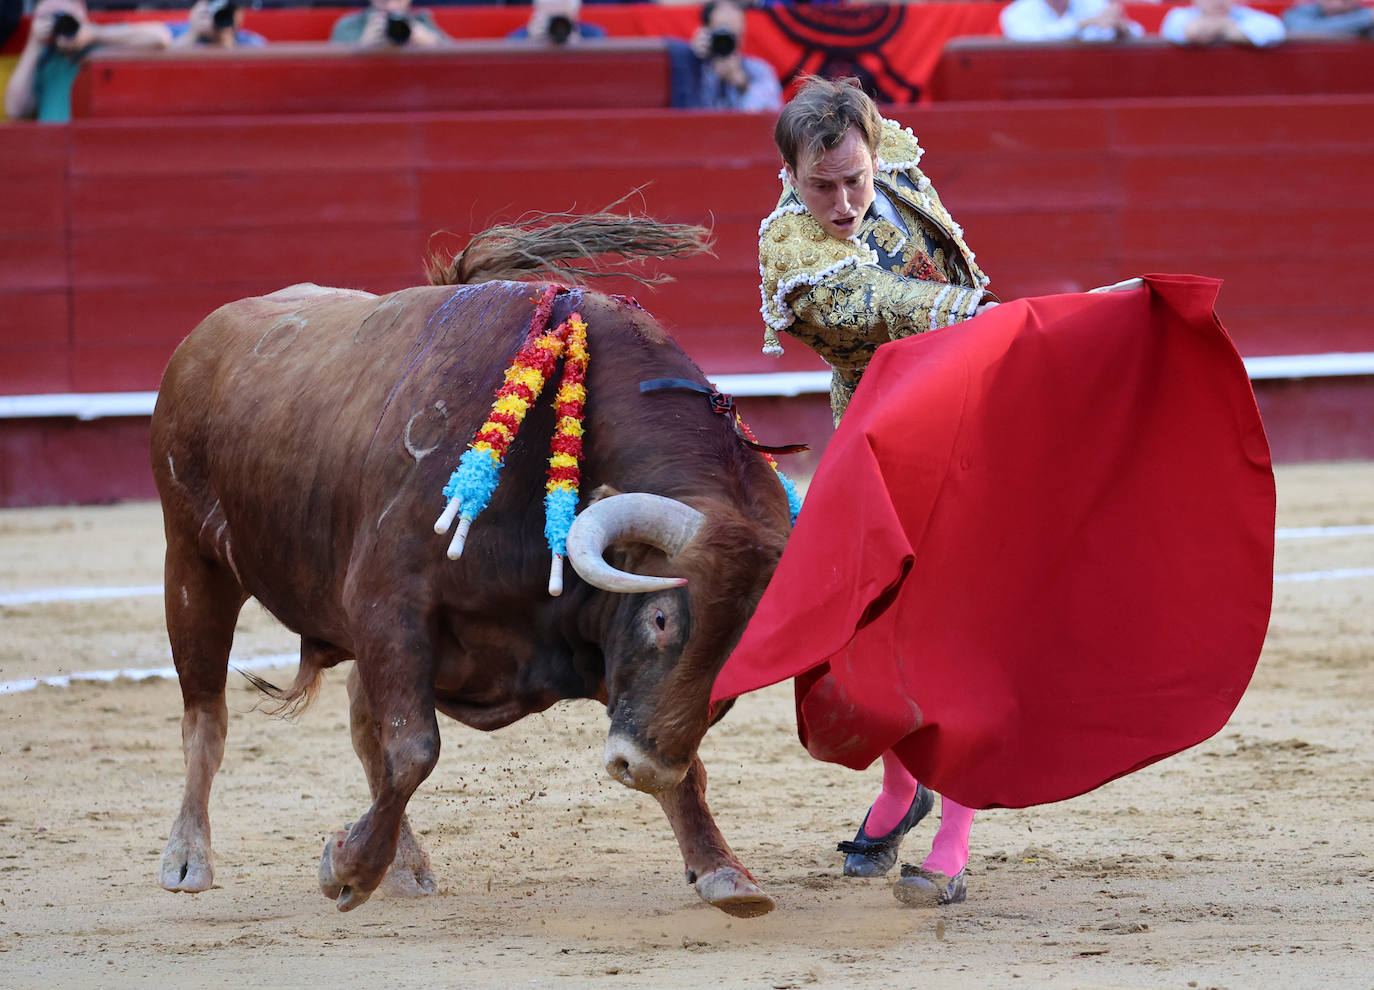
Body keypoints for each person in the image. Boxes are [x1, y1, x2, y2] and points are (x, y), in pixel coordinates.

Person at [756, 77, 997, 906]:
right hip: (881, 446)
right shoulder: (790, 251)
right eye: (820, 185)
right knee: (868, 633)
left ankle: (955, 836)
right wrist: (987, 313)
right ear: (789, 174)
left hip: (971, 423)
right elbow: (882, 303)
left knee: (959, 633)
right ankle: (902, 790)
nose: (845, 201)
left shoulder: (895, 170)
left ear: (873, 151)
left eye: (855, 178)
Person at [4, 0, 171, 123]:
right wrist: (34, 44)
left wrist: (94, 34)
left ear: (81, 10)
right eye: (48, 18)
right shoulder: (43, 57)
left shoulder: (106, 41)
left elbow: (160, 38)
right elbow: (14, 109)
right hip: (53, 150)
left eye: (63, 17)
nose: (58, 24)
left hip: (95, 147)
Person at [670, 0, 781, 111]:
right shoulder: (692, 62)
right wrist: (691, 58)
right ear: (706, 31)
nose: (726, 40)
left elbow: (770, 116)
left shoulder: (759, 70)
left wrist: (741, 83)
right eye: (721, 32)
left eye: (734, 34)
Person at [999, 0, 1144, 41]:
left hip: (1089, 81)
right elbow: (1033, 38)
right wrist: (1083, 24)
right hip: (1035, 85)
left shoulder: (1093, 4)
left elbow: (1138, 32)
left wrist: (1121, 30)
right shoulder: (1017, 11)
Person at [329, 0, 449, 48]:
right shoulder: (350, 25)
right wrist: (361, 46)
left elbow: (460, 58)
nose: (391, 6)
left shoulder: (422, 21)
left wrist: (432, 44)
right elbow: (330, 72)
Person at [1160, 0, 1287, 45]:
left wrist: (1221, 27)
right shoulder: (1178, 16)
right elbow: (1193, 33)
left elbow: (1275, 29)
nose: (1219, 1)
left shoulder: (1246, 15)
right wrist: (1225, 26)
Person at [168, 0, 267, 49]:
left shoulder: (251, 42)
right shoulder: (177, 32)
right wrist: (193, 34)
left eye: (226, 10)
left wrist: (226, 41)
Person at [507, 0, 607, 44]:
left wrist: (580, 46)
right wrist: (530, 42)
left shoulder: (595, 36)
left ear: (576, 13)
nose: (558, 26)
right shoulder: (517, 39)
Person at [1282, 0, 1374, 36]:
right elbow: (1299, 30)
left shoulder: (1364, 12)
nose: (1338, 4)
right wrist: (1366, 19)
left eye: (1345, 1)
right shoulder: (1299, 11)